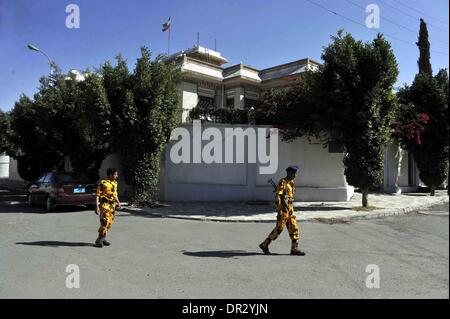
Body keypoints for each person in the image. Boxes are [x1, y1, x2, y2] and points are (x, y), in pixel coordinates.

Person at [259, 165, 305, 256]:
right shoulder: (282, 182)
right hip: (283, 210)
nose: (295, 175)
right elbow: (278, 197)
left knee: (294, 228)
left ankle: (294, 249)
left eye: (295, 173)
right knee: (279, 229)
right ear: (289, 173)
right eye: (294, 173)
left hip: (290, 209)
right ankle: (264, 244)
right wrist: (279, 210)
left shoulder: (291, 183)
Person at [94, 168, 122, 248]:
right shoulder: (103, 183)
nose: (117, 176)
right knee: (104, 223)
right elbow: (97, 195)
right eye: (115, 174)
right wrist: (96, 207)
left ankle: (103, 238)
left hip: (112, 206)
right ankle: (99, 240)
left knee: (109, 224)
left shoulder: (115, 183)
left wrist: (118, 203)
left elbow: (115, 194)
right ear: (110, 175)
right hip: (104, 205)